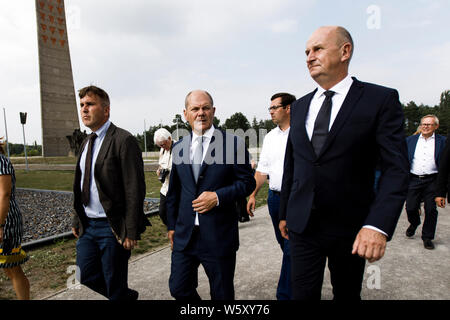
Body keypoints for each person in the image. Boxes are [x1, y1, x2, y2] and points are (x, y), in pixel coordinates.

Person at [278, 26, 409, 300]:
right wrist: (285, 212)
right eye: (306, 52)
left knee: (347, 295)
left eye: (317, 49)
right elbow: (294, 162)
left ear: (345, 51)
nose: (309, 57)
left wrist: (377, 225)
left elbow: (395, 170)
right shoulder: (300, 106)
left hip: (352, 227)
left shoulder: (379, 100)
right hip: (303, 226)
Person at [166, 90, 255, 300]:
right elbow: (174, 192)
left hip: (218, 235)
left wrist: (217, 197)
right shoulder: (178, 147)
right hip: (185, 236)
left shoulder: (233, 143)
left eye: (205, 108)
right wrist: (171, 226)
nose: (201, 113)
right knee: (178, 288)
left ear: (213, 111)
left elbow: (247, 182)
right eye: (195, 109)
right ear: (185, 113)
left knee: (222, 294)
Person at [72, 85, 150, 300]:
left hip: (112, 226)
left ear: (106, 110)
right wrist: (76, 218)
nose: (84, 109)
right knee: (84, 274)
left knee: (114, 280)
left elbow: (135, 187)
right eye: (81, 105)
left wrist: (131, 229)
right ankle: (125, 297)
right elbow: (81, 185)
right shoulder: (86, 142)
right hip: (88, 225)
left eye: (90, 104)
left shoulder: (123, 140)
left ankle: (120, 296)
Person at [246, 92, 296, 300]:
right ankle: (302, 282)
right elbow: (262, 171)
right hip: (275, 200)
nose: (271, 112)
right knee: (285, 246)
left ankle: (285, 295)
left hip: (295, 198)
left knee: (291, 249)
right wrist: (252, 194)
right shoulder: (269, 137)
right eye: (270, 108)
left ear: (288, 108)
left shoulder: (303, 133)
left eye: (275, 107)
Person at [405, 115, 445, 250]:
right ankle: (414, 222)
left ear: (436, 126)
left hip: (432, 180)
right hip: (413, 179)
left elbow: (446, 165)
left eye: (429, 124)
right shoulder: (410, 141)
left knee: (431, 209)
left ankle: (427, 237)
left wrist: (442, 191)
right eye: (423, 124)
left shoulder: (443, 142)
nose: (425, 126)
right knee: (410, 207)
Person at [0, 140, 30, 300]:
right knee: (7, 268)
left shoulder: (1, 162)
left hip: (6, 221)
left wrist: (0, 225)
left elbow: (4, 194)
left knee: (12, 268)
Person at [154, 128, 175, 226]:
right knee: (162, 212)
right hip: (165, 188)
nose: (162, 147)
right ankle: (171, 229)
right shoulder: (162, 150)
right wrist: (159, 171)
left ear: (170, 138)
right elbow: (161, 165)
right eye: (160, 145)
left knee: (175, 213)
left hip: (176, 188)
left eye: (163, 144)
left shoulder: (180, 149)